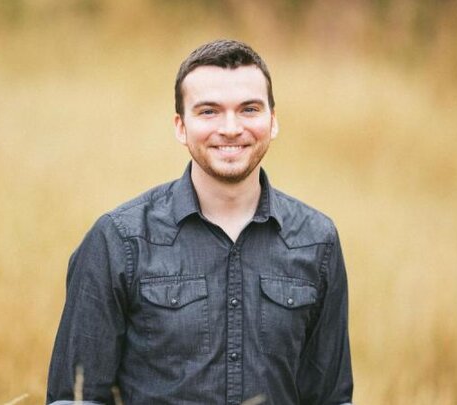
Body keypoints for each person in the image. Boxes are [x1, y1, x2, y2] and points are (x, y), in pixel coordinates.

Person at [46, 39, 353, 405]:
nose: (230, 128)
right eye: (209, 111)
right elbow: (76, 398)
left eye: (249, 109)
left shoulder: (317, 241)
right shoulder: (119, 240)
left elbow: (331, 398)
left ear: (273, 121)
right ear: (180, 126)